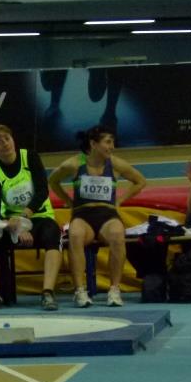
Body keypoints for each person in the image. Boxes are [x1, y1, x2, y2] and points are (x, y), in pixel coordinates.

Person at [48, 125, 146, 307]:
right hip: (82, 215)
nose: (112, 147)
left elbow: (140, 181)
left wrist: (120, 201)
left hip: (107, 215)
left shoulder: (115, 164)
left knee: (117, 234)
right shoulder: (74, 164)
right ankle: (80, 291)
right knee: (75, 235)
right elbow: (53, 181)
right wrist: (68, 201)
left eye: (113, 142)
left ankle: (114, 290)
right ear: (93, 144)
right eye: (108, 142)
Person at [0, 124, 63, 311]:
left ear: (13, 139)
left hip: (38, 217)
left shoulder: (30, 157)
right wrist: (14, 227)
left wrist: (23, 221)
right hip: (11, 225)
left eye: (7, 139)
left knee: (52, 233)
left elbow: (42, 191)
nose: (5, 144)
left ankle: (47, 292)